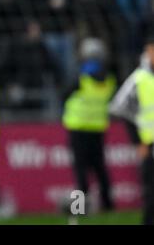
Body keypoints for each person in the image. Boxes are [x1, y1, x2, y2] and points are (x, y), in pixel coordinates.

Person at [62, 52, 116, 212]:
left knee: (80, 169)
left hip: (78, 128)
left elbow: (63, 94)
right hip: (98, 129)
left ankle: (79, 208)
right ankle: (108, 205)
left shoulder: (81, 81)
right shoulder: (109, 82)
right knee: (100, 168)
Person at [109, 34, 154, 225]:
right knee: (152, 195)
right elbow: (120, 108)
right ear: (148, 51)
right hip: (150, 146)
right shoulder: (139, 78)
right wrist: (137, 142)